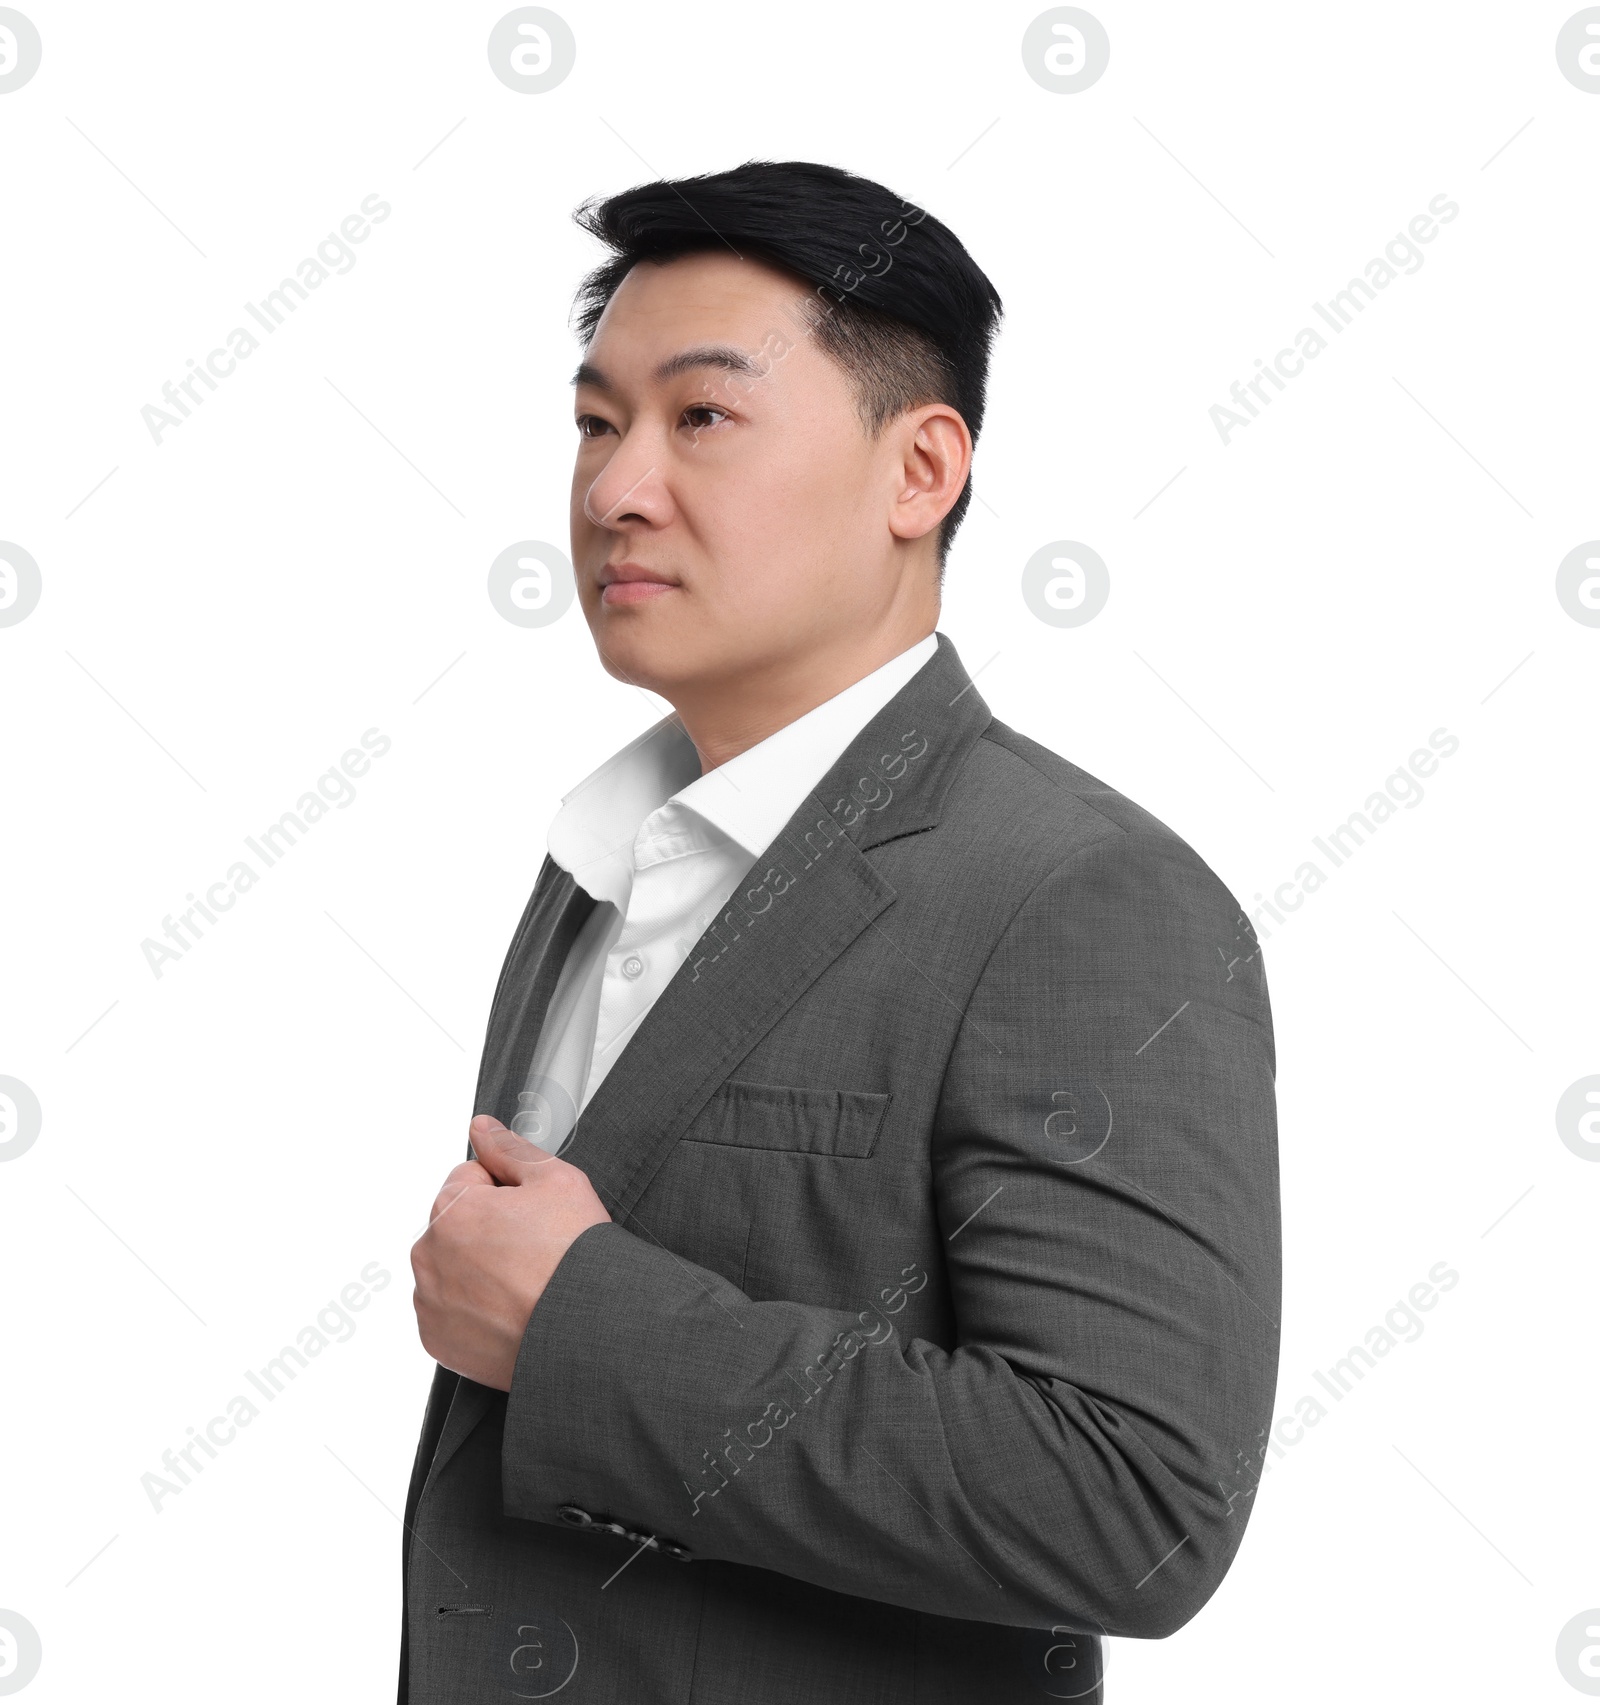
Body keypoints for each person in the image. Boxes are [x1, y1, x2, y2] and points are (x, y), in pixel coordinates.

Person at [400, 159, 1280, 1705]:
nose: (614, 488)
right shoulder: (599, 859)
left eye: (701, 418)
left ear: (919, 471)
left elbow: (1137, 1500)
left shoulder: (1078, 895)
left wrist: (579, 1323)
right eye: (597, 422)